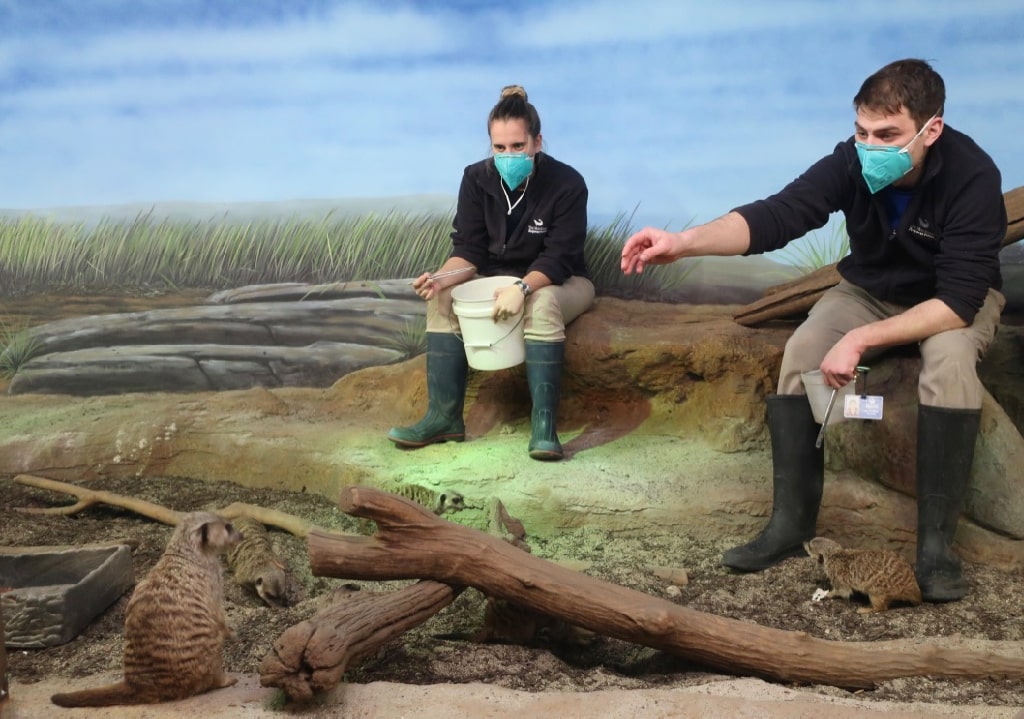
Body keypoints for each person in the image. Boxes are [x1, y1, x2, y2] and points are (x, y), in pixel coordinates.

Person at [620, 59, 1006, 602]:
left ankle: (936, 547)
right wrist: (684, 242)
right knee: (802, 348)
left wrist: (863, 340)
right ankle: (790, 524)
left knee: (949, 364)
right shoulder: (851, 162)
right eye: (861, 132)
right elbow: (779, 214)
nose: (870, 146)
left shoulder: (974, 176)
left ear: (931, 129)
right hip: (869, 290)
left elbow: (961, 302)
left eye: (887, 135)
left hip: (948, 303)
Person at [388, 85, 595, 461]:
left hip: (561, 281)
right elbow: (468, 251)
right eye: (499, 148)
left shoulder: (567, 183)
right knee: (442, 298)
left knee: (543, 303)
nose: (508, 155)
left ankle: (544, 428)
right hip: (493, 278)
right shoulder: (475, 179)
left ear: (537, 142)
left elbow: (559, 257)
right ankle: (443, 418)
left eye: (518, 146)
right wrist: (440, 278)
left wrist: (522, 287)